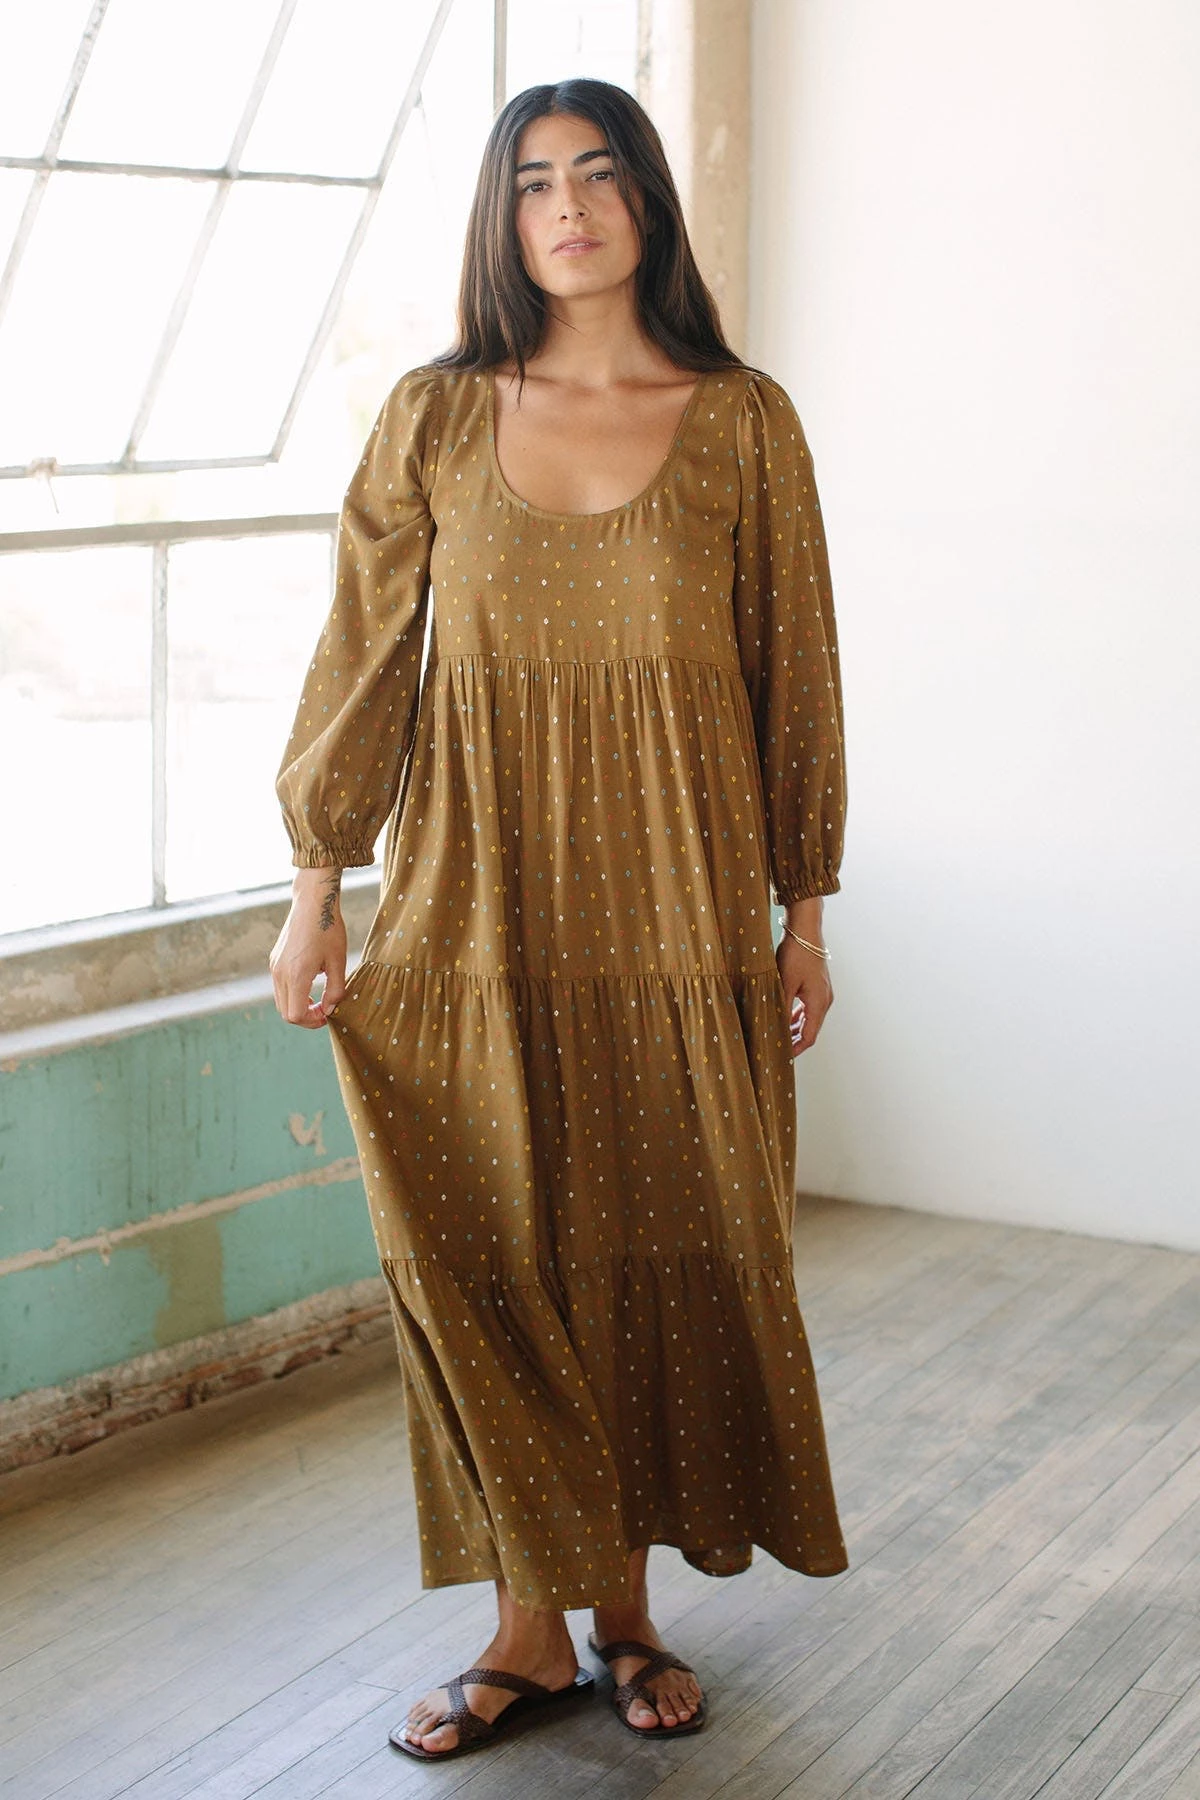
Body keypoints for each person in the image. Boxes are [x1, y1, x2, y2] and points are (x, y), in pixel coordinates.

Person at [272, 76, 848, 1764]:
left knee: (666, 1253)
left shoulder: (742, 421)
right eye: (534, 183)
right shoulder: (437, 418)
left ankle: (627, 1618)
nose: (570, 207)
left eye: (600, 174)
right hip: (472, 912)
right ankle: (529, 1630)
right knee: (482, 1255)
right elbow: (363, 658)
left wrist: (804, 914)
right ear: (502, 217)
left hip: (678, 916)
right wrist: (316, 888)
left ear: (647, 202)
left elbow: (796, 673)